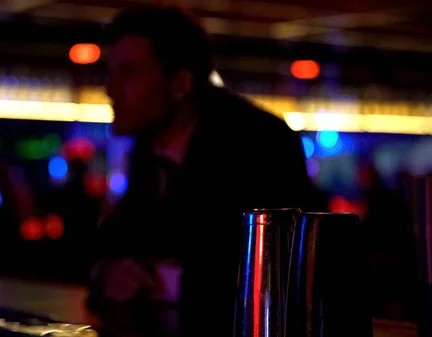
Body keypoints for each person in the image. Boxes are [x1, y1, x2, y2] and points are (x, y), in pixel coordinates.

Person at [88, 5, 320, 337]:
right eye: (109, 73)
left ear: (180, 83)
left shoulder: (258, 142)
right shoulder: (149, 145)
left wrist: (158, 278)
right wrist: (108, 270)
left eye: (128, 73)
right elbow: (111, 239)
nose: (109, 89)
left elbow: (274, 273)